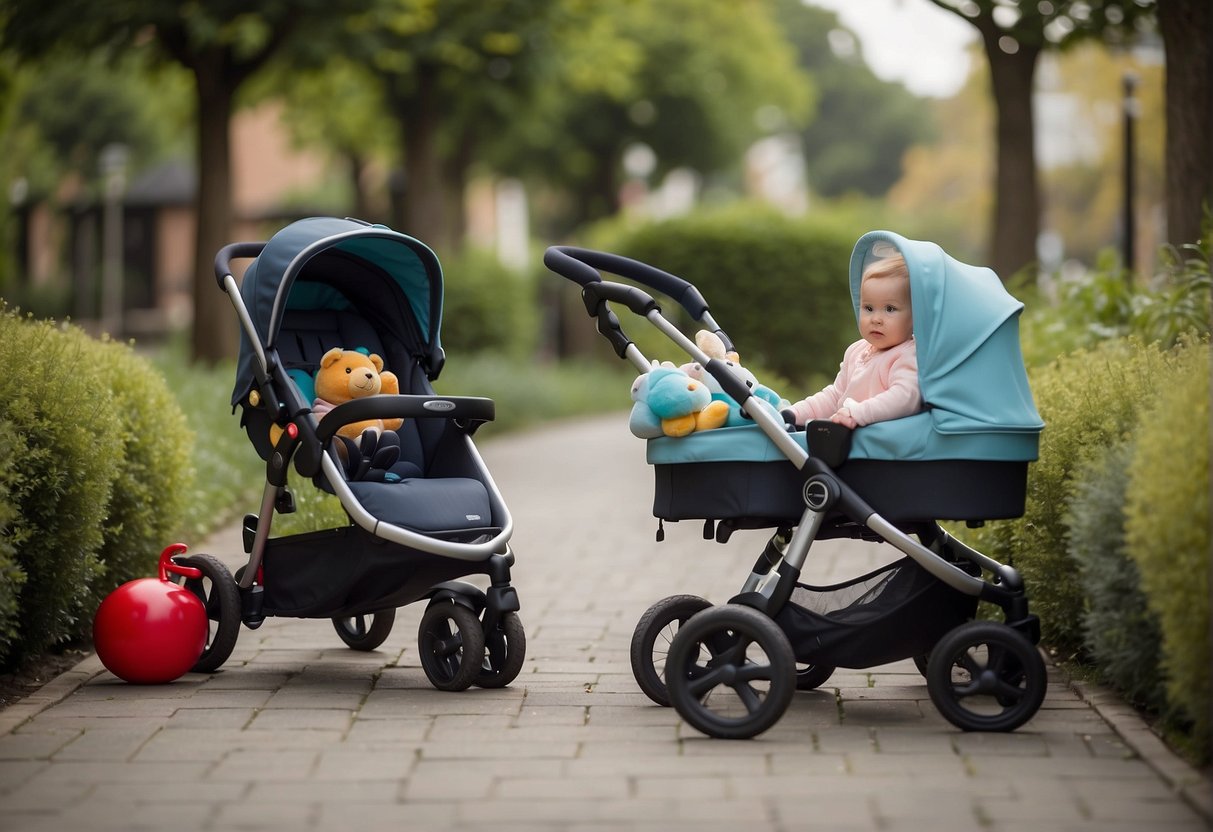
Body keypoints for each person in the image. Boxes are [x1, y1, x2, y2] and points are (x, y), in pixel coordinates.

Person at [782, 253, 921, 430]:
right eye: (869, 308)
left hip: (881, 445)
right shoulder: (856, 350)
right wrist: (796, 413)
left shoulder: (908, 354)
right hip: (846, 441)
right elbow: (836, 396)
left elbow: (905, 397)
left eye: (890, 309)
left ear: (916, 315)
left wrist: (858, 413)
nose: (876, 319)